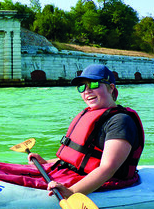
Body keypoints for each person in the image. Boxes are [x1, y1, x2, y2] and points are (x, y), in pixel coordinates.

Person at [28, 64, 144, 198]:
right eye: (82, 87)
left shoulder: (121, 122)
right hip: (72, 173)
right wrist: (45, 162)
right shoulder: (92, 114)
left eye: (94, 84)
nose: (87, 91)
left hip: (103, 182)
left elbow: (108, 169)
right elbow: (81, 160)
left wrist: (72, 192)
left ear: (111, 88)